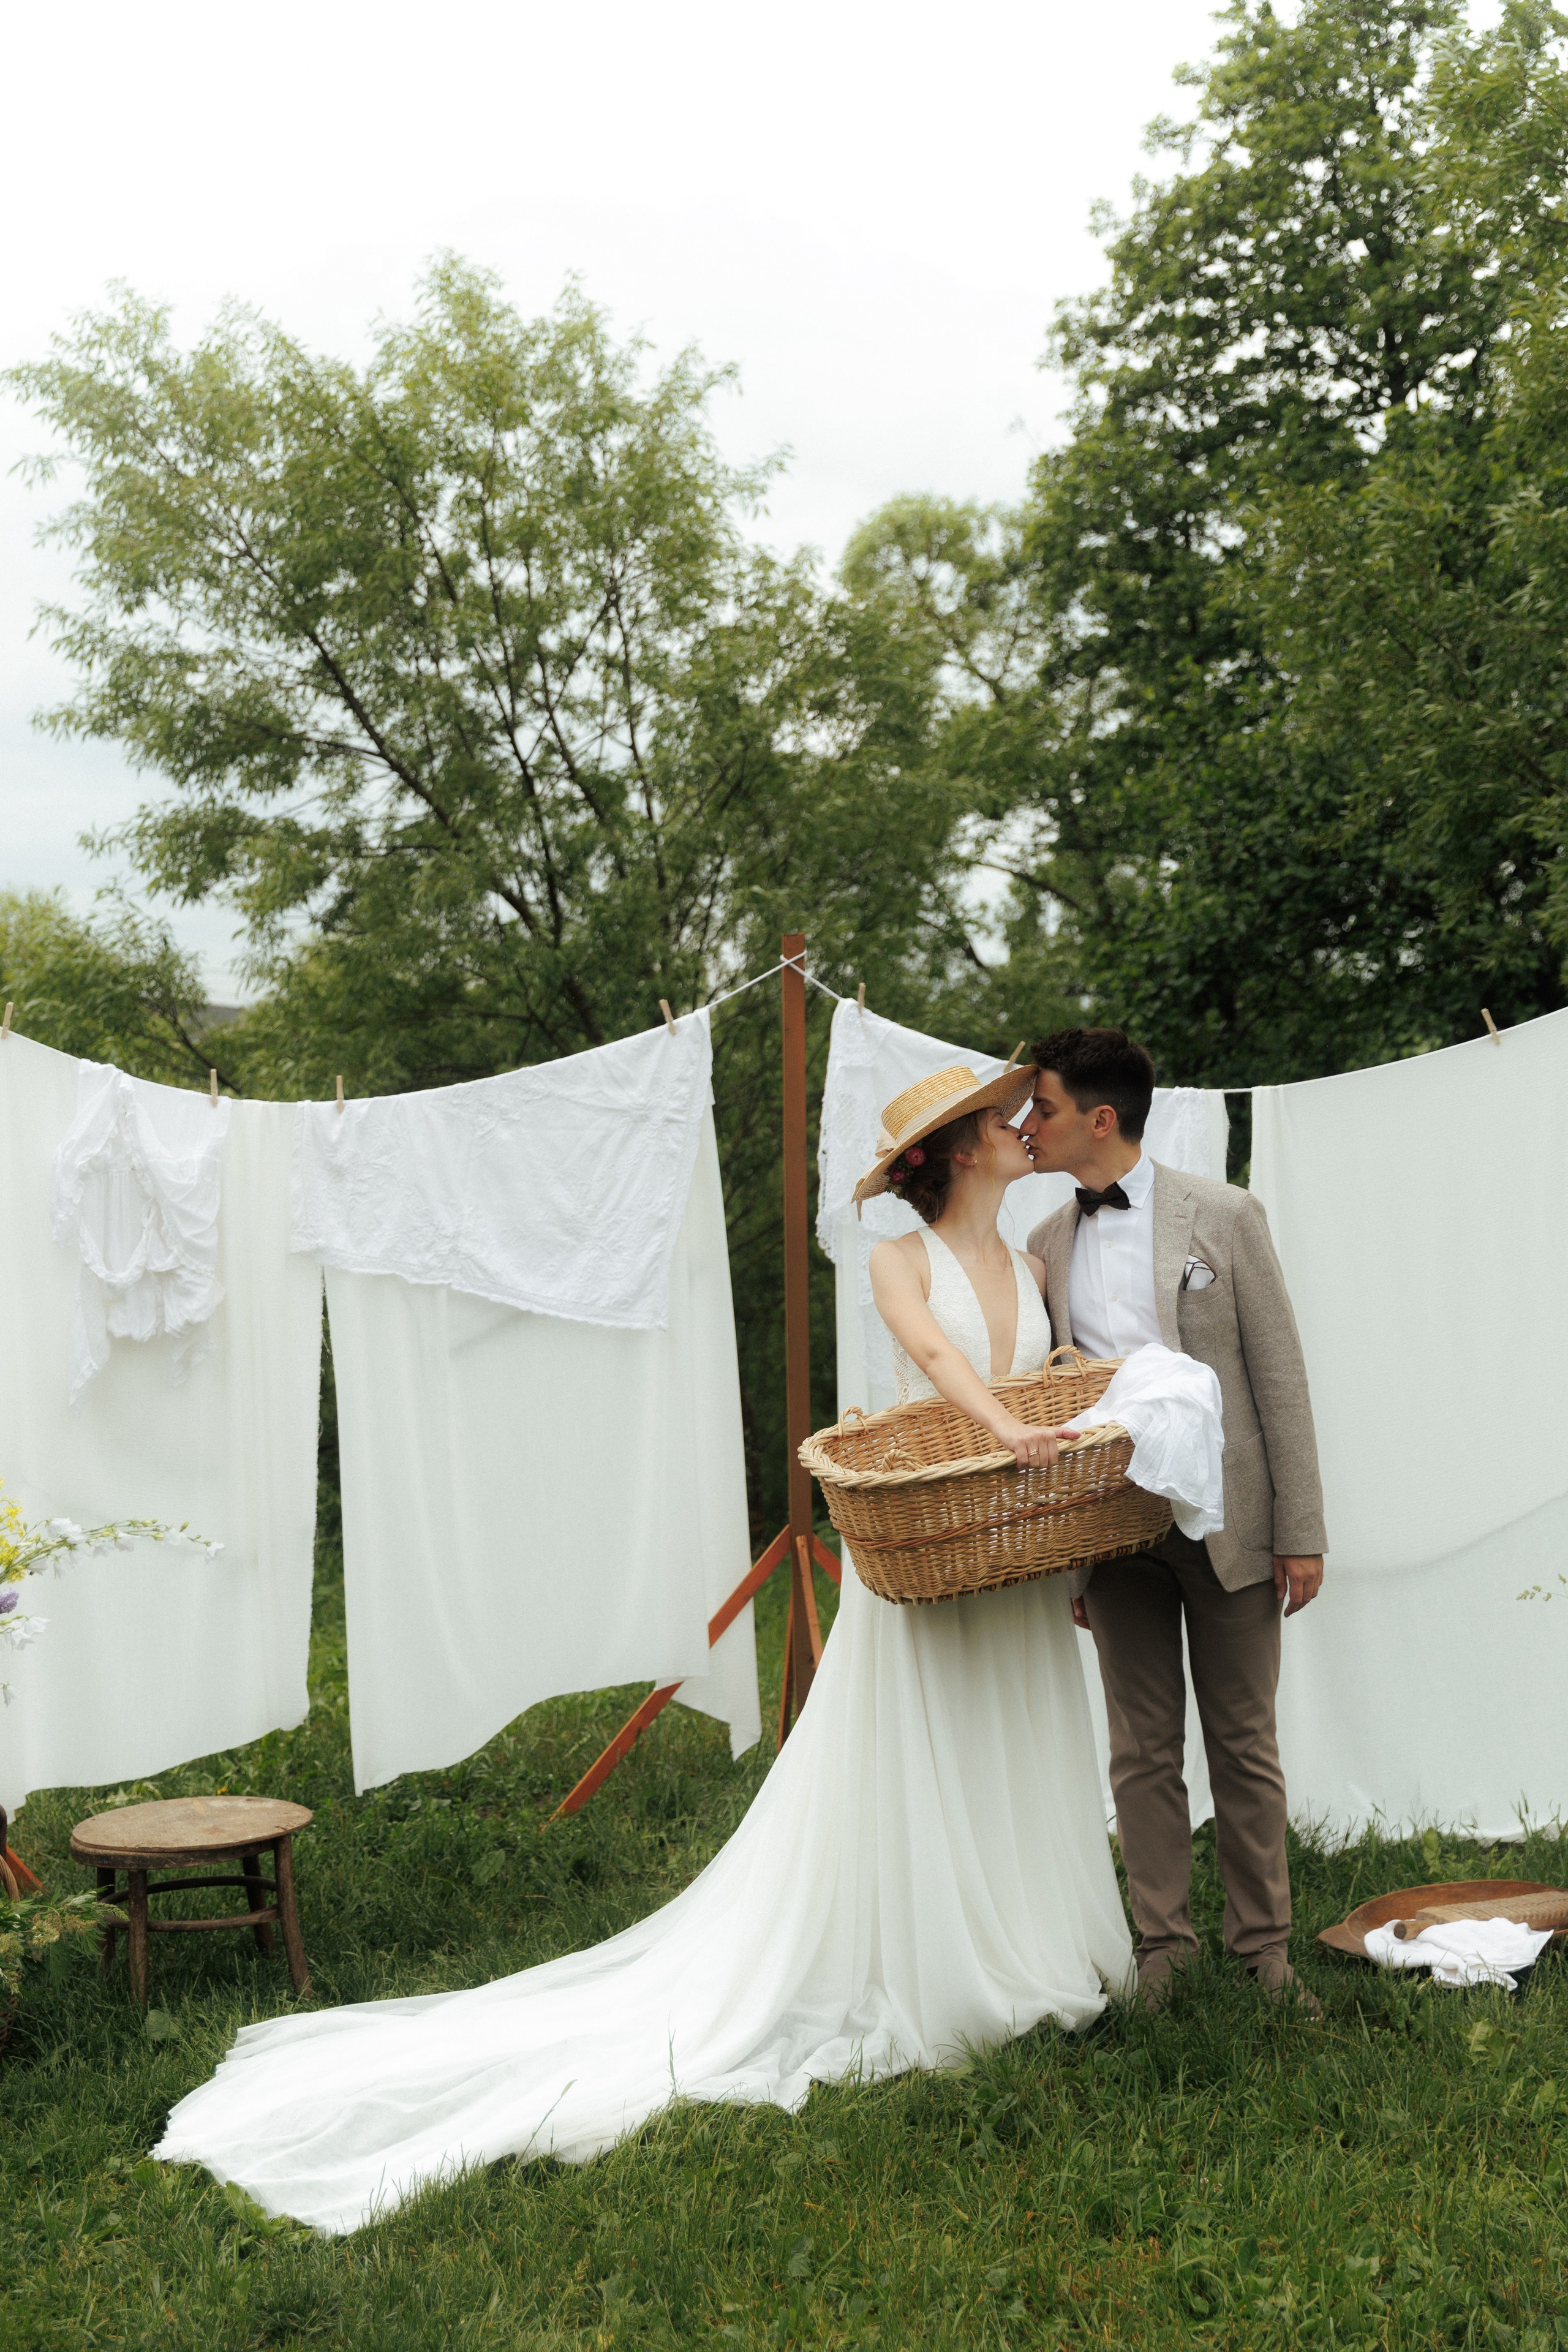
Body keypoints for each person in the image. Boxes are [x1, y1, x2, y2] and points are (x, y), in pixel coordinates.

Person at [153, 1061, 1132, 2234]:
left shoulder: (1031, 1264)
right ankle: (940, 1958)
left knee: (1018, 1725)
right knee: (936, 1736)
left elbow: (1050, 1370)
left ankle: (1025, 1940)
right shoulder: (899, 1262)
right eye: (1004, 1121)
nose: (1028, 1131)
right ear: (966, 1148)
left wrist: (1066, 1429)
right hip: (940, 1531)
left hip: (1006, 1541)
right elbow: (937, 1361)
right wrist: (1008, 1430)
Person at [1019, 1027, 1327, 2011]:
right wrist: (1072, 1560)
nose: (1030, 1126)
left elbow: (1279, 1376)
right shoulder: (1045, 1245)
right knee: (1140, 1748)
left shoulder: (1225, 1216)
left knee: (1243, 1739)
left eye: (1045, 1108)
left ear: (1099, 1120)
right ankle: (1164, 1950)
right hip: (1113, 1532)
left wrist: (1301, 1527)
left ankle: (1265, 1953)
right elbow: (1054, 1403)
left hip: (1229, 1520)